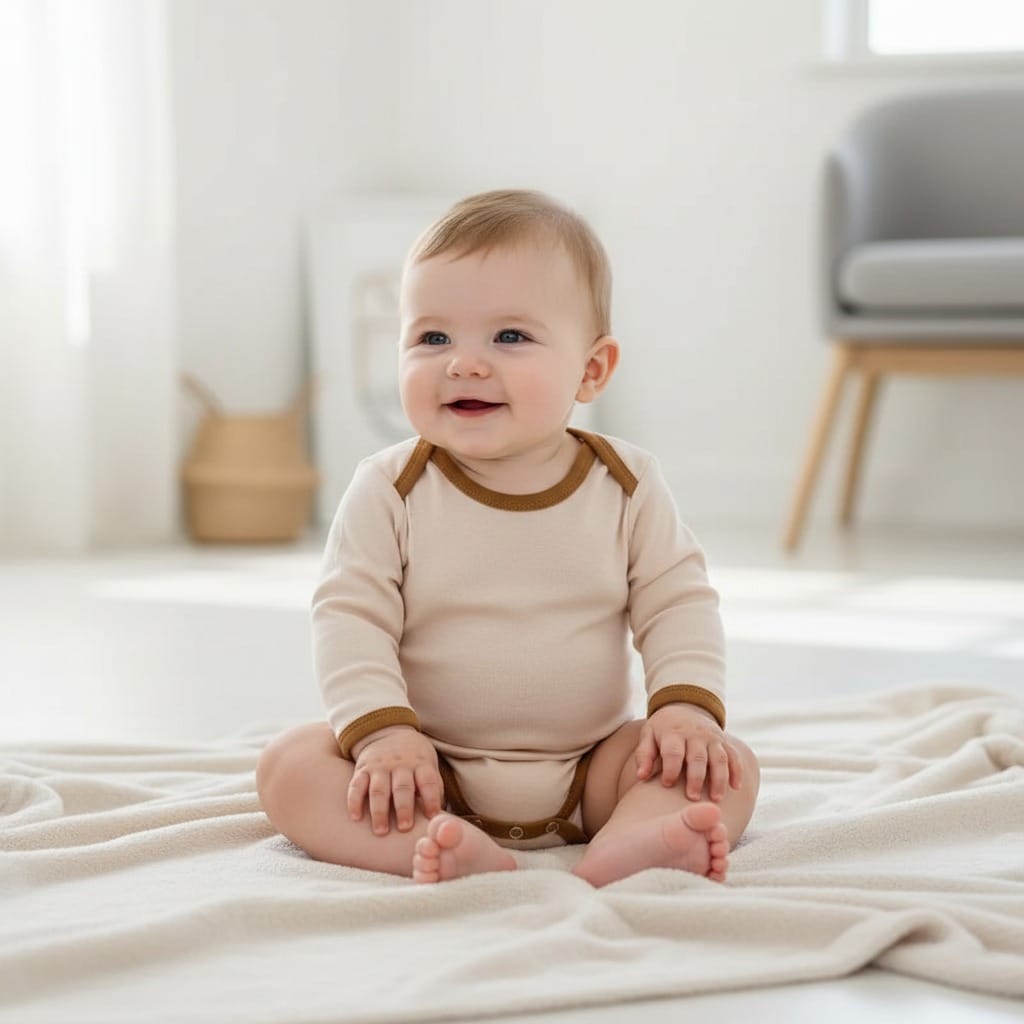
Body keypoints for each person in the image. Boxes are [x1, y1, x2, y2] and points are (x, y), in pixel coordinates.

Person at [257, 189, 760, 887]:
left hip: (595, 768)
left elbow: (677, 602)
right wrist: (382, 736)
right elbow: (350, 616)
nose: (462, 363)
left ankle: (636, 837)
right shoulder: (389, 488)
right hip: (428, 767)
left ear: (591, 370)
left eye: (510, 337)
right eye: (432, 338)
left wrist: (682, 710)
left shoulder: (627, 484)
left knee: (724, 766)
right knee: (289, 767)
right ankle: (431, 844)